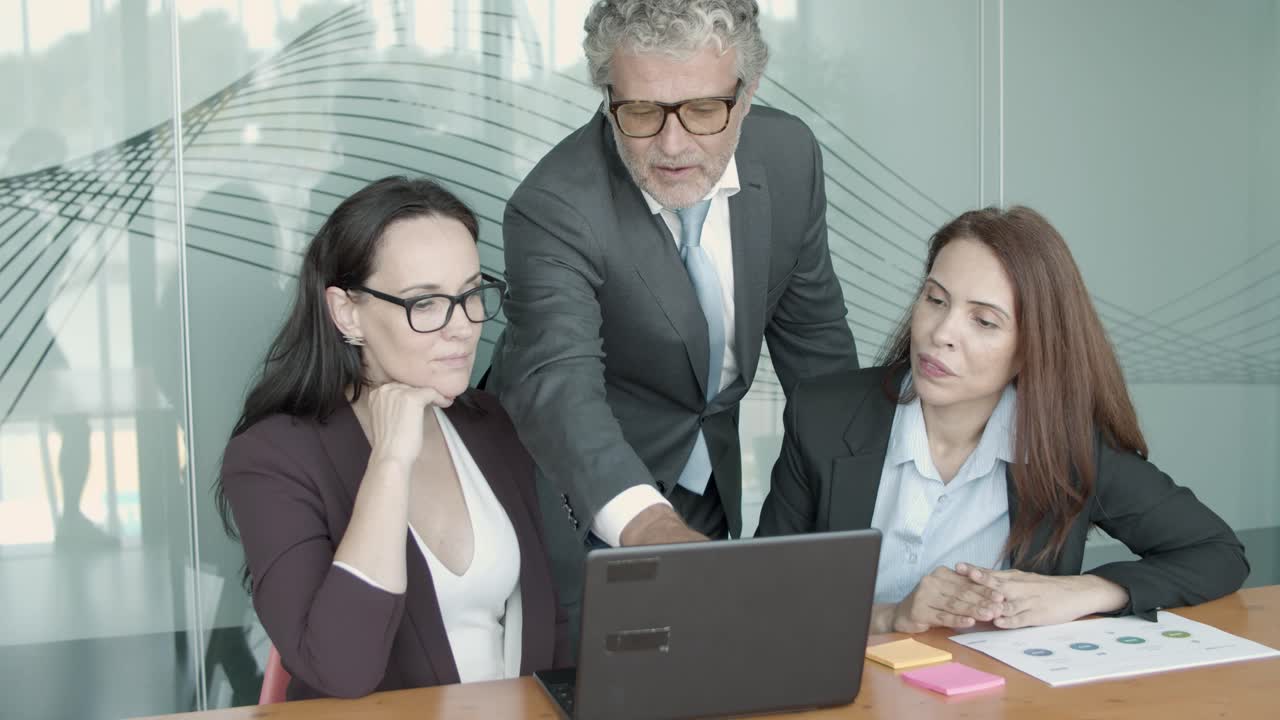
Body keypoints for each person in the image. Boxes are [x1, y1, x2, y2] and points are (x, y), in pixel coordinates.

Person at [487, 0, 858, 641]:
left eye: (705, 110)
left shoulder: (790, 155)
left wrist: (859, 510)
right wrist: (652, 529)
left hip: (705, 475)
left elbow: (816, 348)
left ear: (747, 94)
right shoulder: (553, 207)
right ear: (607, 98)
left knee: (715, 666)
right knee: (596, 686)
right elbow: (560, 391)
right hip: (580, 494)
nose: (673, 144)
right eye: (641, 112)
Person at [756, 206, 1250, 633]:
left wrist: (1088, 591)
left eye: (984, 321)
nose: (941, 333)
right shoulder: (824, 415)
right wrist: (891, 617)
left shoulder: (1070, 446)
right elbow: (763, 597)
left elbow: (1216, 551)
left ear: (1031, 349)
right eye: (935, 299)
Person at [216, 176, 568, 701]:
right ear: (346, 313)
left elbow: (552, 625)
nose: (464, 327)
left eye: (471, 294)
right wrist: (390, 460)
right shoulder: (273, 457)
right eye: (424, 304)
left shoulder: (487, 423)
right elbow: (341, 668)